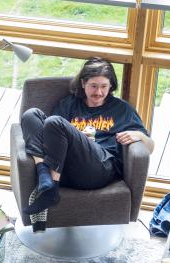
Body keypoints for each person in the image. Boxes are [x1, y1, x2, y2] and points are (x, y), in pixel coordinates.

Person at [20, 57, 153, 231]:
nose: (99, 92)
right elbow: (49, 136)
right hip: (65, 167)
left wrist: (139, 135)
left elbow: (150, 147)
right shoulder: (69, 104)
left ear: (111, 86)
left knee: (54, 122)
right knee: (31, 115)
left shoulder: (121, 110)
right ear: (83, 83)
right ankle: (45, 176)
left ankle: (49, 186)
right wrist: (74, 137)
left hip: (99, 169)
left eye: (104, 86)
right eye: (93, 86)